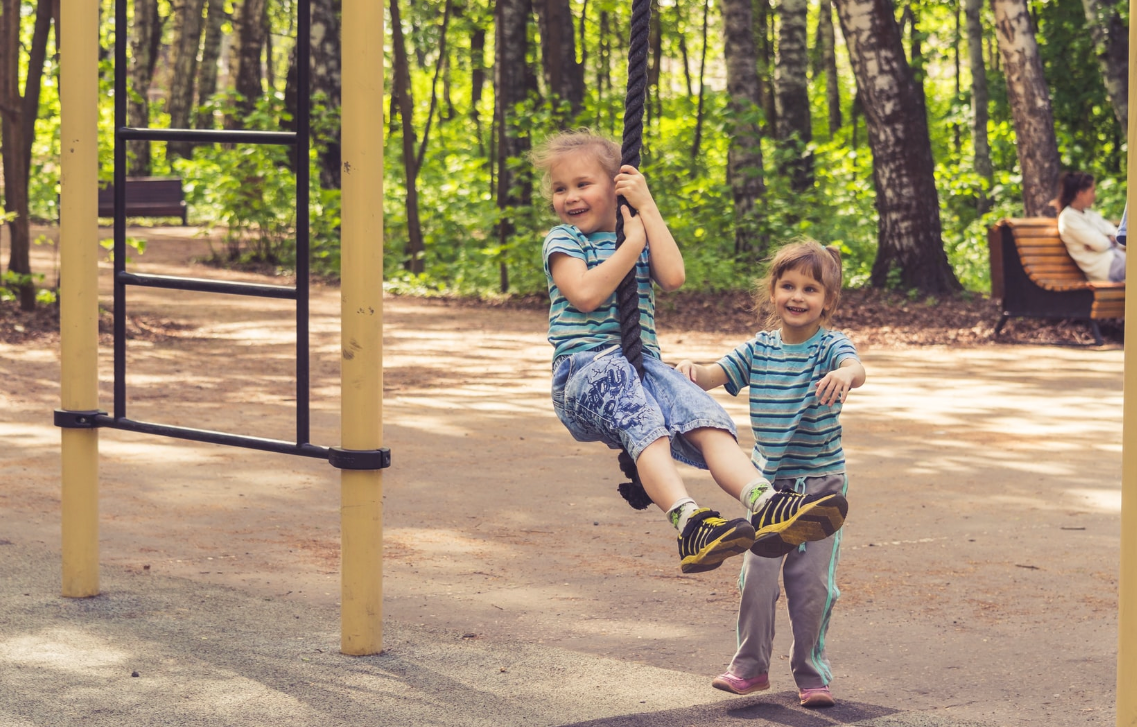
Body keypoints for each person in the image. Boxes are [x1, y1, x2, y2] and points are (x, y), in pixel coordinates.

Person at [532, 130, 849, 574]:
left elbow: (675, 275)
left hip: (640, 366)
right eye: (560, 189)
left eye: (583, 184)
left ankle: (766, 503)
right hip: (585, 370)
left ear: (618, 186)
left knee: (707, 418)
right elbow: (584, 294)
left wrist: (647, 209)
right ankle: (689, 521)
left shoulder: (635, 231)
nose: (570, 197)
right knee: (647, 426)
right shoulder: (565, 240)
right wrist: (631, 247)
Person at [675, 240, 865, 708]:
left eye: (811, 289)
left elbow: (855, 367)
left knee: (811, 587)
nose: (797, 297)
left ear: (828, 301)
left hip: (820, 489)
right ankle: (749, 667)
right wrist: (686, 371)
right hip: (767, 490)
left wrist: (846, 375)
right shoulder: (759, 348)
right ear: (773, 291)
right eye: (788, 286)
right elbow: (713, 374)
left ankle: (811, 672)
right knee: (756, 579)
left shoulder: (830, 347)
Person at [1057, 171, 1125, 282]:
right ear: (1080, 193)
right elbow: (1101, 244)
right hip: (1106, 268)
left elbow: (1118, 236)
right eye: (1092, 191)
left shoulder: (1090, 214)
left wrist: (1108, 239)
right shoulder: (1068, 218)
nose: (1095, 195)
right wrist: (1108, 239)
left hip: (1119, 260)